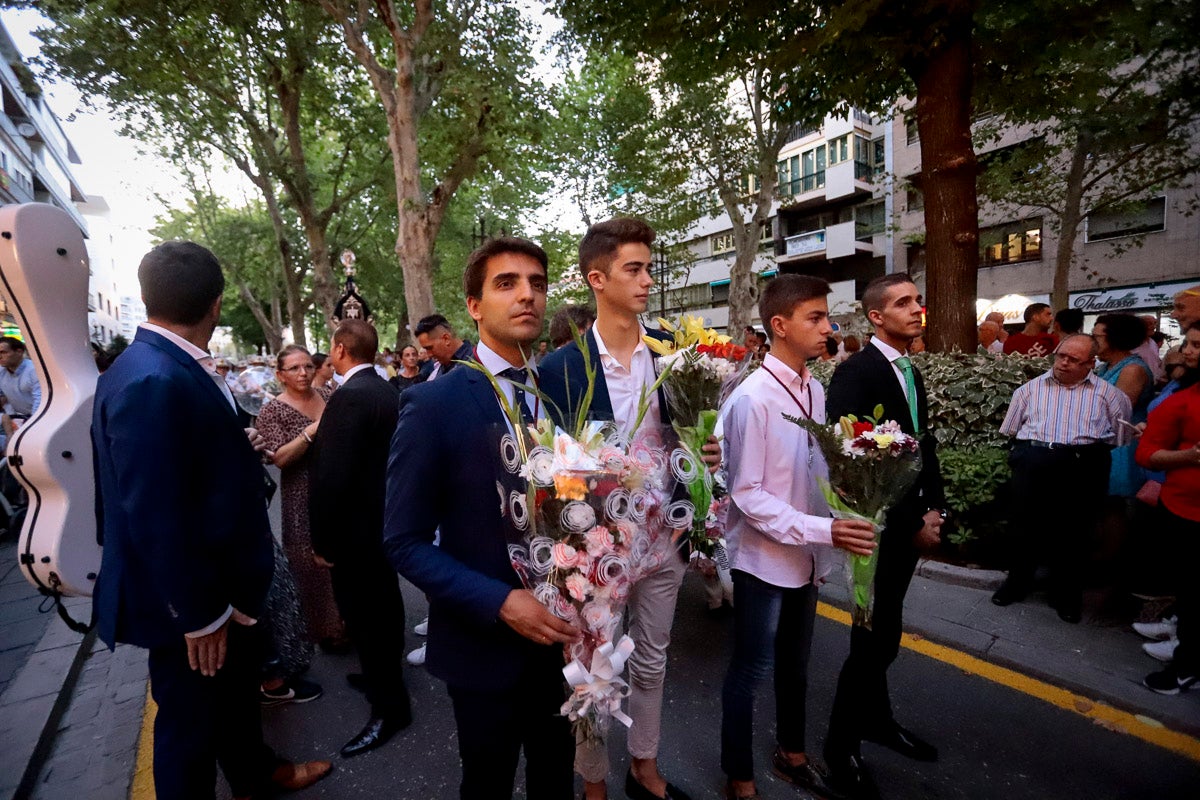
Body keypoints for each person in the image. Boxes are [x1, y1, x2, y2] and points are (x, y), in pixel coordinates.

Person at [91, 241, 330, 800]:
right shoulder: (153, 377)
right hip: (197, 602)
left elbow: (182, 468)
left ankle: (255, 772)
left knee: (229, 698)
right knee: (189, 727)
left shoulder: (159, 365)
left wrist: (235, 444)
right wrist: (199, 615)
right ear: (217, 304)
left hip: (223, 590)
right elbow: (153, 510)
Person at [384, 236, 577, 799]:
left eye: (537, 284)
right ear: (474, 306)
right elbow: (403, 540)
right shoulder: (434, 405)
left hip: (565, 641)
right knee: (487, 783)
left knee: (554, 778)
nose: (527, 296)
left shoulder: (566, 396)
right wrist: (498, 601)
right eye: (506, 283)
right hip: (485, 644)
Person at [540, 217, 718, 800]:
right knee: (593, 664)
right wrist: (574, 531)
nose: (645, 281)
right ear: (598, 278)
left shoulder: (673, 356)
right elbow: (551, 468)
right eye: (633, 270)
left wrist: (704, 449)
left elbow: (685, 439)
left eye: (648, 268)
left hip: (665, 536)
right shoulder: (561, 368)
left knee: (653, 659)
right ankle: (593, 781)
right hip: (597, 547)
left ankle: (645, 764)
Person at [719, 276, 877, 800]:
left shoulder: (813, 386)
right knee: (751, 669)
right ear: (780, 325)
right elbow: (748, 494)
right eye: (815, 317)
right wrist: (824, 528)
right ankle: (738, 773)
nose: (827, 328)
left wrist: (851, 498)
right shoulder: (752, 398)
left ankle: (793, 754)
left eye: (826, 316)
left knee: (796, 665)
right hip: (763, 561)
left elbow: (814, 472)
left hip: (807, 556)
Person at [823, 273, 946, 800]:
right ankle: (839, 747)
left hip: (910, 521)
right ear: (876, 317)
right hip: (880, 530)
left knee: (885, 633)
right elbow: (849, 465)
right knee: (871, 640)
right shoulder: (856, 373)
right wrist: (907, 520)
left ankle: (877, 721)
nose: (917, 309)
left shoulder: (907, 369)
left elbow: (920, 442)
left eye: (917, 300)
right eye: (903, 303)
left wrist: (934, 508)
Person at [309, 319, 413, 758]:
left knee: (368, 616)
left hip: (355, 533)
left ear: (339, 350)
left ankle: (390, 707)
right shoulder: (385, 390)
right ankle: (378, 677)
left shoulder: (350, 397)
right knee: (382, 606)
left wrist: (322, 542)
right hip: (381, 525)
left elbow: (331, 477)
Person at [990, 334, 1131, 622]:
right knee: (1024, 524)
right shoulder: (1029, 391)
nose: (1063, 363)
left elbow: (1120, 437)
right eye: (1061, 356)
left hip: (1083, 464)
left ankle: (1066, 595)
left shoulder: (1110, 395)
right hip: (1035, 460)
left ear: (1091, 363)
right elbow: (1011, 430)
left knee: (1076, 530)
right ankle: (1016, 584)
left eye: (1073, 359)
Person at [256, 346, 348, 655]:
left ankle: (350, 622)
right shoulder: (273, 411)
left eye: (308, 366)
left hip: (339, 492)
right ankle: (327, 631)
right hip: (301, 497)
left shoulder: (330, 396)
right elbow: (279, 459)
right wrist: (310, 433)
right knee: (311, 567)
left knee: (344, 561)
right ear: (280, 375)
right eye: (294, 368)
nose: (303, 373)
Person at [1135, 323, 1200, 695]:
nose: (1186, 352)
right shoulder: (1182, 399)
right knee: (1192, 592)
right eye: (1187, 343)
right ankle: (1186, 663)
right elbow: (1148, 454)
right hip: (1185, 511)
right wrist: (1189, 455)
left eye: (1196, 346)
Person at [1093, 313, 1154, 498]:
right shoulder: (1105, 367)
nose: (1092, 342)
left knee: (1113, 508)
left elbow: (1116, 413)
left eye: (1096, 337)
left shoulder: (1132, 370)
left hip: (1120, 448)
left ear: (1115, 338)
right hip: (1104, 443)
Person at [0, 336, 42, 440]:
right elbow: (2, 397)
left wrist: (32, 426)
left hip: (38, 419)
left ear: (19, 352)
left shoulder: (34, 370)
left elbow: (39, 400)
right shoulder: (1, 371)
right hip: (16, 419)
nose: (0, 356)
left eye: (3, 352)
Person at [415, 314, 473, 381]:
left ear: (446, 339)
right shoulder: (441, 366)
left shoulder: (476, 359)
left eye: (430, 348)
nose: (429, 355)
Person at [1133, 315, 1165, 384]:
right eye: (1149, 323)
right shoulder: (1132, 345)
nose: (1153, 327)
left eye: (1154, 323)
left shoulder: (1152, 343)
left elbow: (1155, 363)